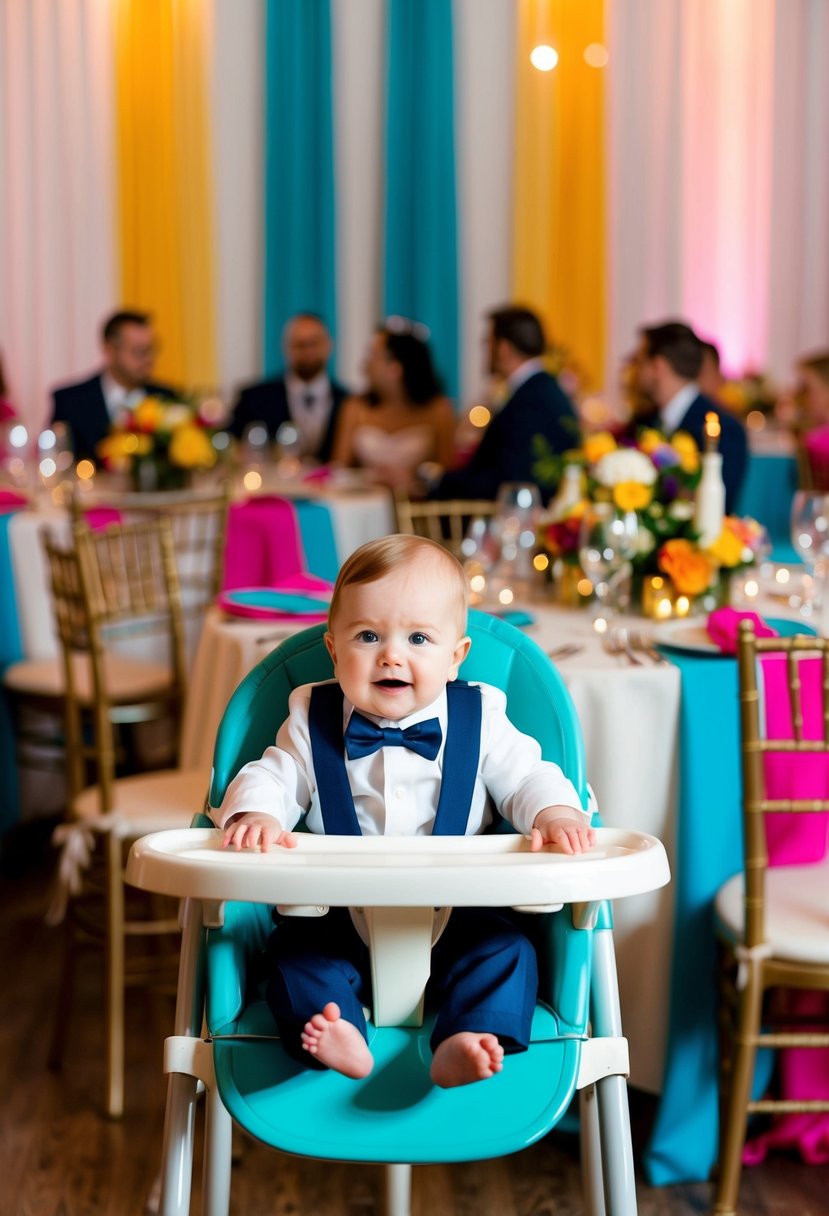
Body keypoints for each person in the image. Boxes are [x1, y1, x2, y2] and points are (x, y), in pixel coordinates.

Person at [215, 534, 594, 1088]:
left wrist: (555, 813)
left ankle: (465, 1036)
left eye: (419, 637)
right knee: (294, 966)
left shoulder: (482, 715)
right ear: (333, 649)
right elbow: (274, 776)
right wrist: (257, 816)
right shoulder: (309, 716)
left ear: (455, 656)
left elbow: (528, 776)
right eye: (368, 636)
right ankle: (336, 1029)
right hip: (335, 916)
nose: (392, 655)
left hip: (460, 911)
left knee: (508, 953)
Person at [431, 305, 580, 501]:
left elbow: (508, 477)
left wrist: (439, 481)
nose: (486, 352)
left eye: (487, 343)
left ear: (503, 348)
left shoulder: (531, 400)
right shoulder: (541, 389)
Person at [632, 320, 748, 513]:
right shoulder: (644, 421)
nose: (636, 371)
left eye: (640, 362)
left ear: (658, 367)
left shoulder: (725, 429)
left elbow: (719, 508)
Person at [331, 321, 456, 492]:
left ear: (395, 368)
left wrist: (413, 480)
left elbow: (448, 475)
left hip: (415, 511)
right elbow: (338, 470)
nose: (365, 365)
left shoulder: (439, 409)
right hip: (365, 507)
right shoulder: (354, 407)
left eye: (373, 356)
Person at [51, 310, 176, 462]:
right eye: (139, 352)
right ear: (110, 350)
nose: (149, 359)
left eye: (151, 350)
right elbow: (58, 464)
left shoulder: (167, 398)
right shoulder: (70, 401)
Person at [228, 313, 348, 462]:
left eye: (314, 343)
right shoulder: (254, 398)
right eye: (300, 345)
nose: (308, 351)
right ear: (286, 348)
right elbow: (229, 445)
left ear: (329, 345)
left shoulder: (348, 400)